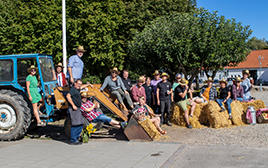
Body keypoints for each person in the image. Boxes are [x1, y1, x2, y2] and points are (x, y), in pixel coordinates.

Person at [66, 79, 91, 145]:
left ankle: (76, 138)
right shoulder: (73, 89)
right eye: (78, 84)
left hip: (78, 108)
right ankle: (73, 140)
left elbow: (82, 87)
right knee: (75, 124)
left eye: (80, 84)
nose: (79, 85)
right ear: (75, 83)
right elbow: (68, 96)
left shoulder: (77, 89)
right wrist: (73, 105)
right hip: (74, 108)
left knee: (80, 123)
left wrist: (88, 85)